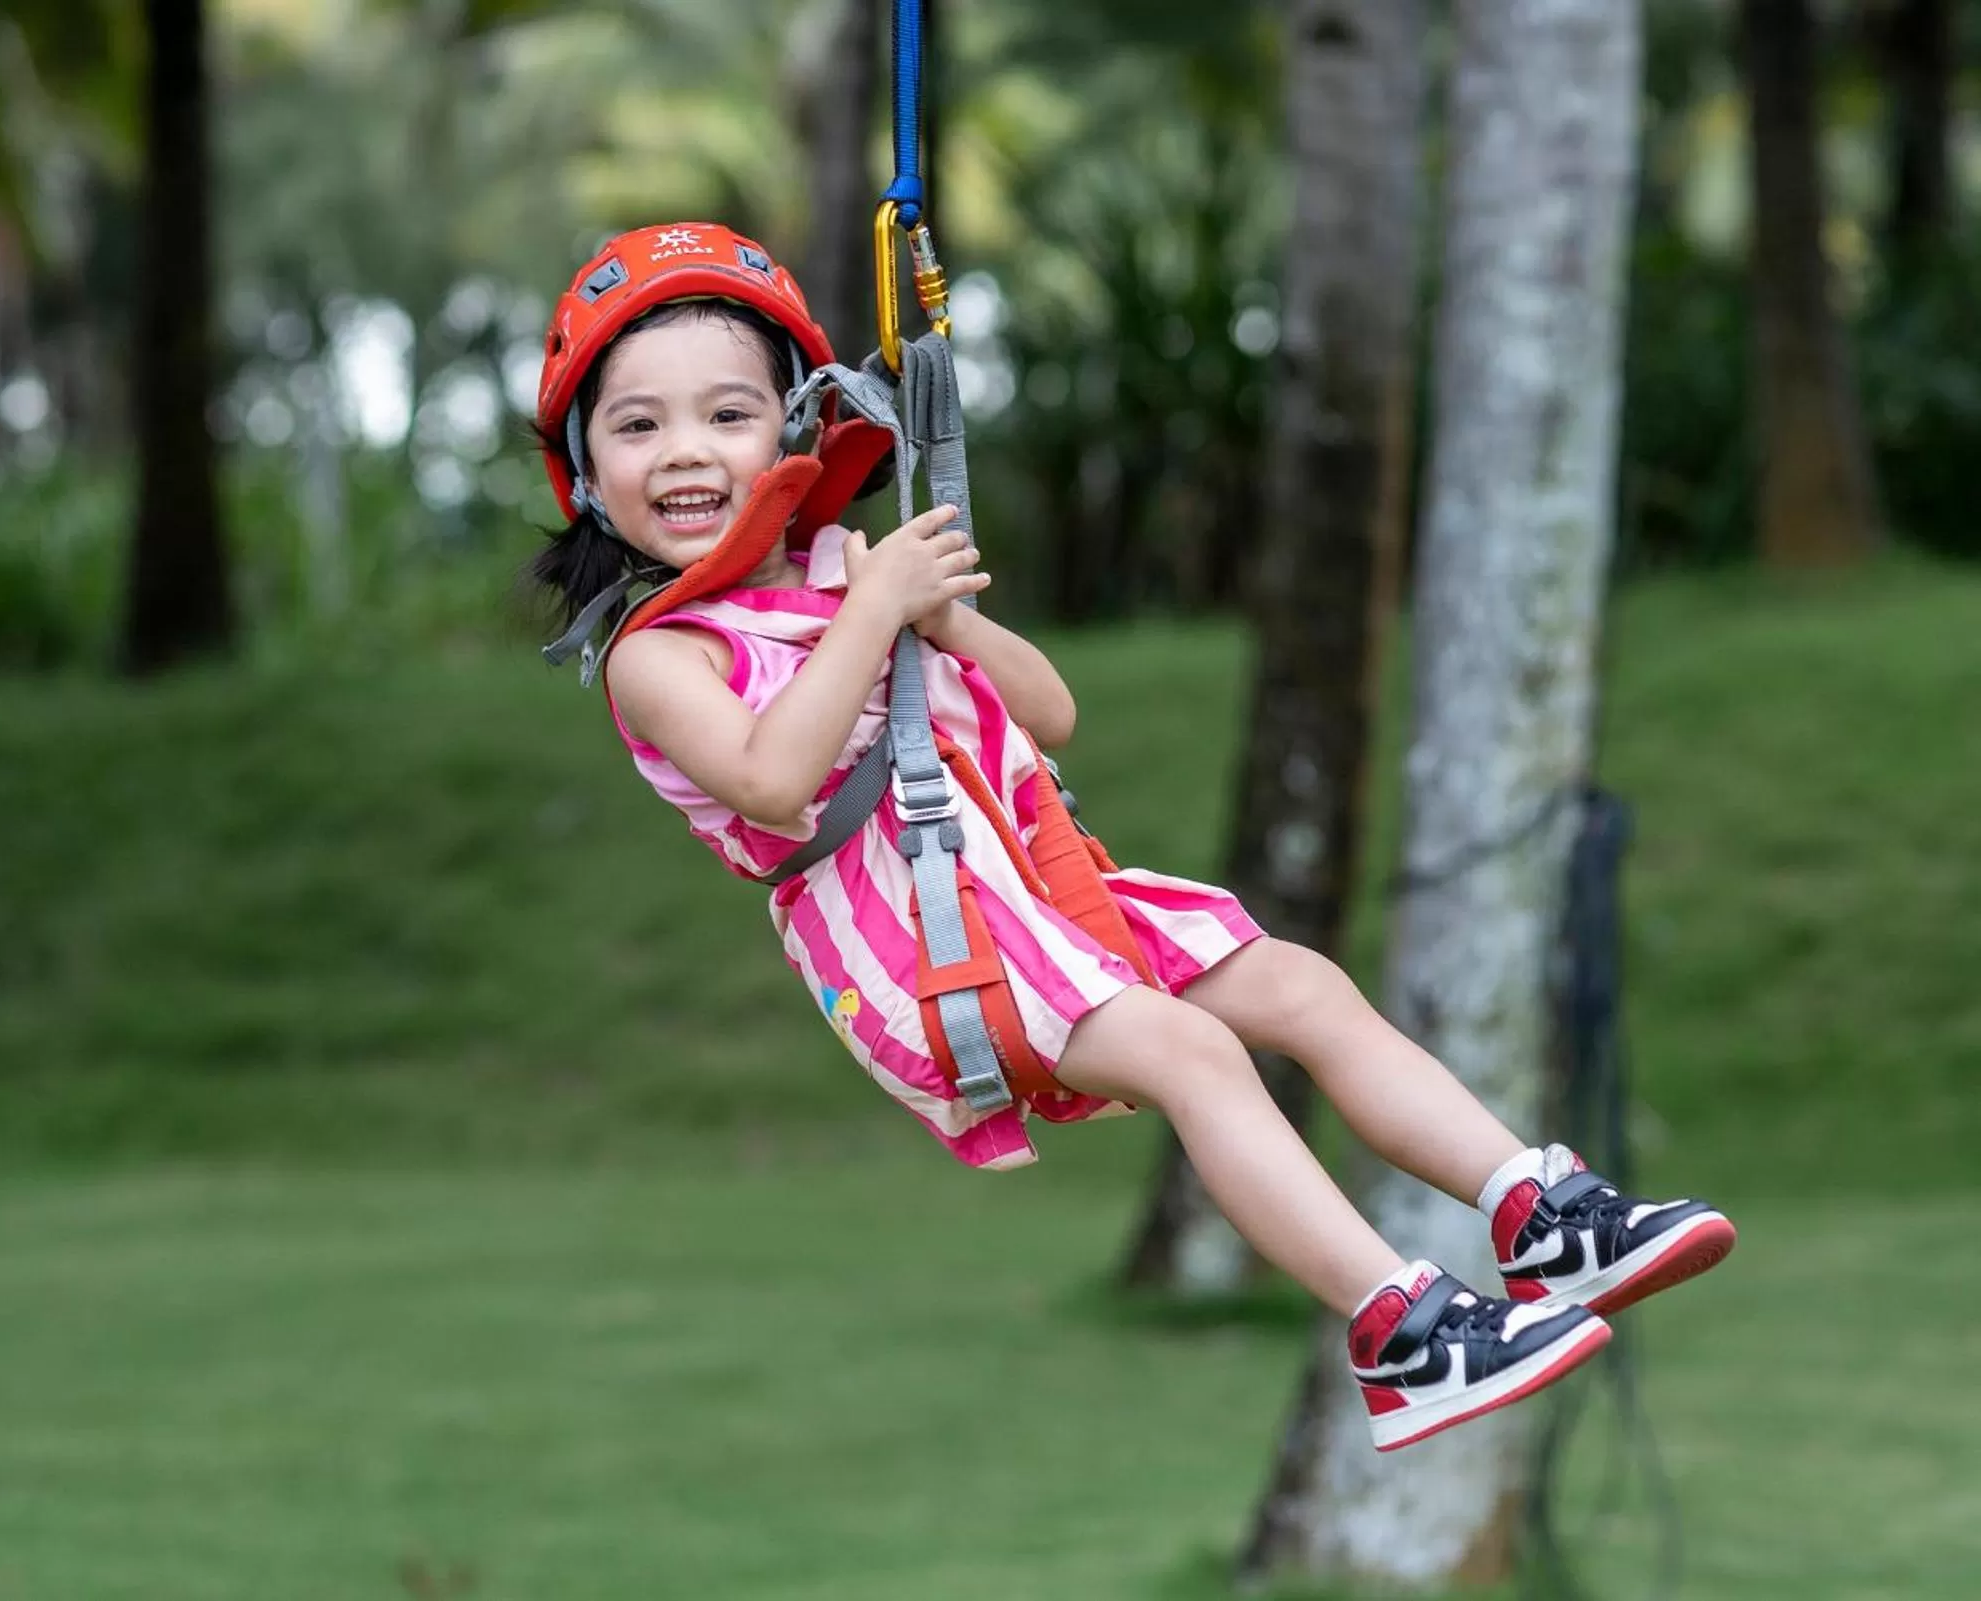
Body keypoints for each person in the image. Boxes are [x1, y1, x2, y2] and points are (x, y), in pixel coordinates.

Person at [526, 222, 1735, 1452]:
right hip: (927, 942)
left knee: (1300, 987)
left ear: (793, 428)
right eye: (638, 425)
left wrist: (935, 617)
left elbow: (1047, 713)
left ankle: (1537, 1210)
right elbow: (773, 780)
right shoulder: (657, 654)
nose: (685, 450)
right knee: (1191, 1050)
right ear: (585, 468)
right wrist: (873, 609)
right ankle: (1402, 1330)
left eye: (727, 414)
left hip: (1039, 885)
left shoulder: (848, 570)